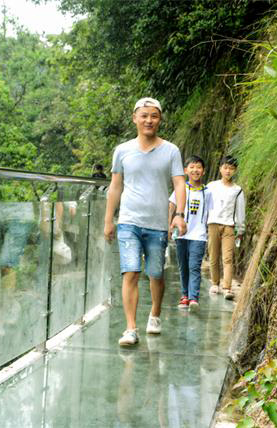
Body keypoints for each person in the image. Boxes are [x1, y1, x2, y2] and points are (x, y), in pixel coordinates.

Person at [104, 97, 186, 347]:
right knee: (130, 271)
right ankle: (130, 328)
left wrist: (179, 214)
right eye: (144, 115)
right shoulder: (122, 150)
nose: (149, 120)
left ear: (159, 119)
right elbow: (115, 186)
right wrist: (109, 220)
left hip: (157, 224)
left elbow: (179, 183)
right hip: (128, 221)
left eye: (154, 116)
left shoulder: (171, 150)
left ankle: (155, 314)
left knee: (155, 274)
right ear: (135, 118)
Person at [168, 155, 213, 310]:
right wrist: (169, 226)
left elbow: (210, 214)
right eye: (192, 167)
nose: (195, 170)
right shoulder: (181, 189)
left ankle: (194, 298)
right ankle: (184, 295)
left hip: (199, 236)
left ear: (204, 171)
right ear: (186, 170)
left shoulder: (208, 192)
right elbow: (171, 206)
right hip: (181, 233)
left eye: (199, 167)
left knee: (194, 266)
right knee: (183, 266)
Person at [206, 155, 246, 300]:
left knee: (228, 258)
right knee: (213, 255)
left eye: (231, 168)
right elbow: (206, 206)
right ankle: (215, 283)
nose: (228, 171)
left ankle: (227, 287)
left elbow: (240, 210)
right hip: (213, 224)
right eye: (225, 168)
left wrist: (240, 229)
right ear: (220, 169)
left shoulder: (238, 190)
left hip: (229, 226)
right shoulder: (211, 186)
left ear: (235, 170)